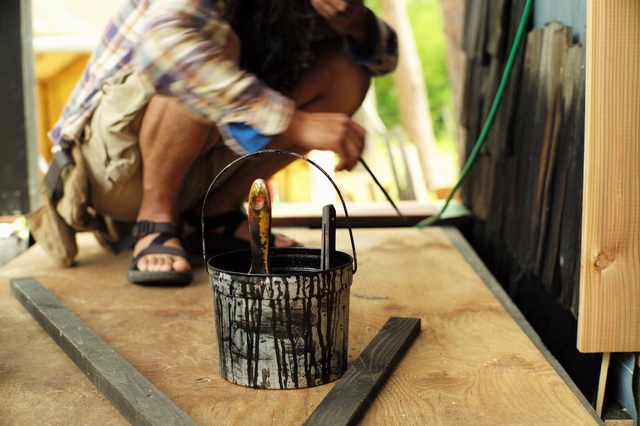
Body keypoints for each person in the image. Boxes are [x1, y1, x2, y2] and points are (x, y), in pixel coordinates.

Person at [37, 0, 398, 286]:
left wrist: (353, 23)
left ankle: (216, 216)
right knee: (211, 45)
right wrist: (293, 122)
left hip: (200, 165)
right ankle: (155, 221)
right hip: (115, 173)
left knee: (347, 71)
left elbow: (386, 56)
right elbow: (166, 50)